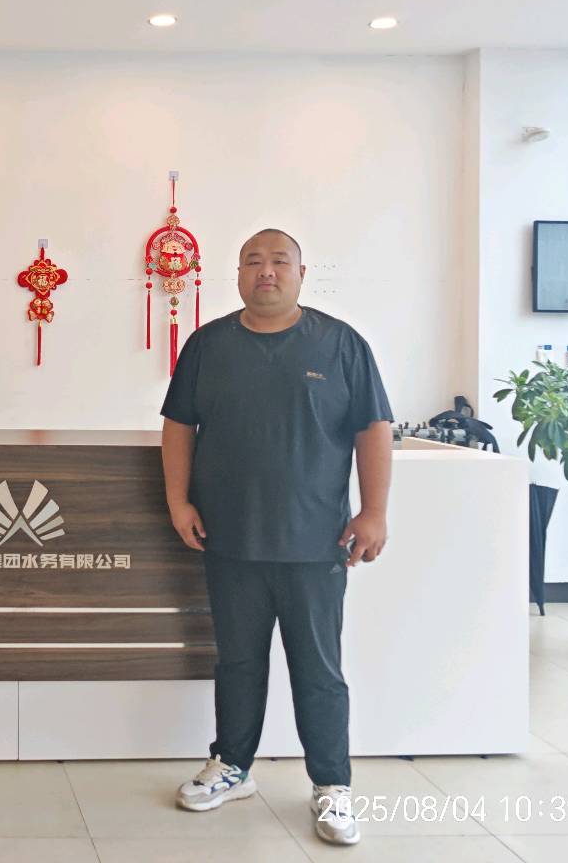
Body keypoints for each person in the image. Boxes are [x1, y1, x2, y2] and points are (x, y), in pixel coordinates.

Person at [161, 228, 392, 848]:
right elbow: (179, 425)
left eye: (279, 261)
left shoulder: (340, 344)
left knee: (319, 669)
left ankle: (332, 784)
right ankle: (232, 766)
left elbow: (373, 428)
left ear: (301, 273)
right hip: (228, 538)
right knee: (237, 661)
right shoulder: (208, 345)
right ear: (238, 274)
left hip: (317, 543)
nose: (266, 271)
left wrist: (373, 512)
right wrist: (178, 501)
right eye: (253, 262)